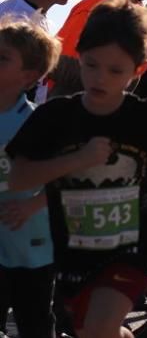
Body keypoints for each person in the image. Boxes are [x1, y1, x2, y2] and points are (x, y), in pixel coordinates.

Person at [7, 0, 147, 338]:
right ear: (78, 58)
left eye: (115, 70)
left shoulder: (144, 116)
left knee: (99, 326)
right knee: (93, 331)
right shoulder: (56, 116)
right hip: (73, 248)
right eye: (91, 65)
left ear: (139, 69)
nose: (100, 77)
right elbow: (18, 177)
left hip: (133, 244)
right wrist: (76, 160)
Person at [0, 18, 61, 337]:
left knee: (35, 323)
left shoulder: (38, 122)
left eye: (2, 58)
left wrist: (31, 205)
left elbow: (64, 180)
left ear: (28, 77)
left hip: (34, 248)